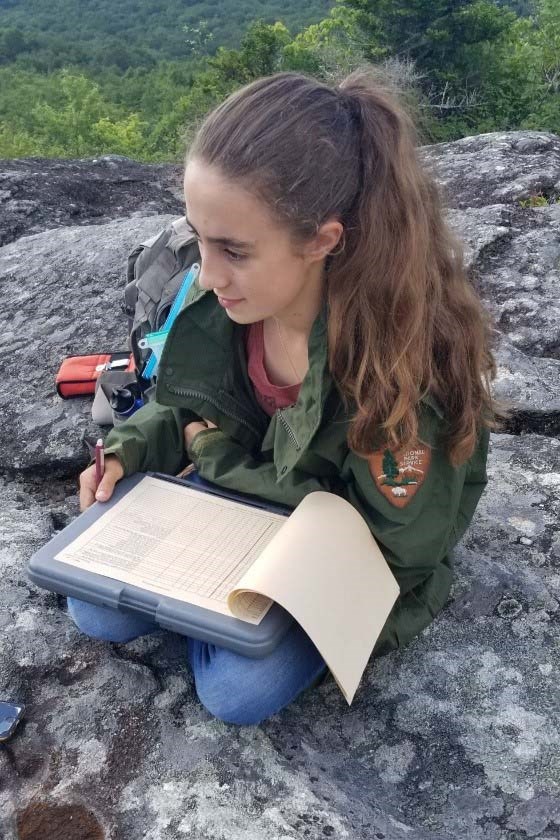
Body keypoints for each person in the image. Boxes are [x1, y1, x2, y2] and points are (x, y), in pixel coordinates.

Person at [70, 69, 497, 725]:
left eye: (234, 250)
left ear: (322, 241)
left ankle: (207, 616)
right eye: (198, 238)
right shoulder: (233, 303)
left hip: (344, 564)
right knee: (89, 602)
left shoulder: (399, 371)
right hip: (241, 519)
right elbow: (184, 401)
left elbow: (391, 549)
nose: (207, 274)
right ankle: (207, 612)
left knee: (234, 694)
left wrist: (211, 453)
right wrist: (129, 452)